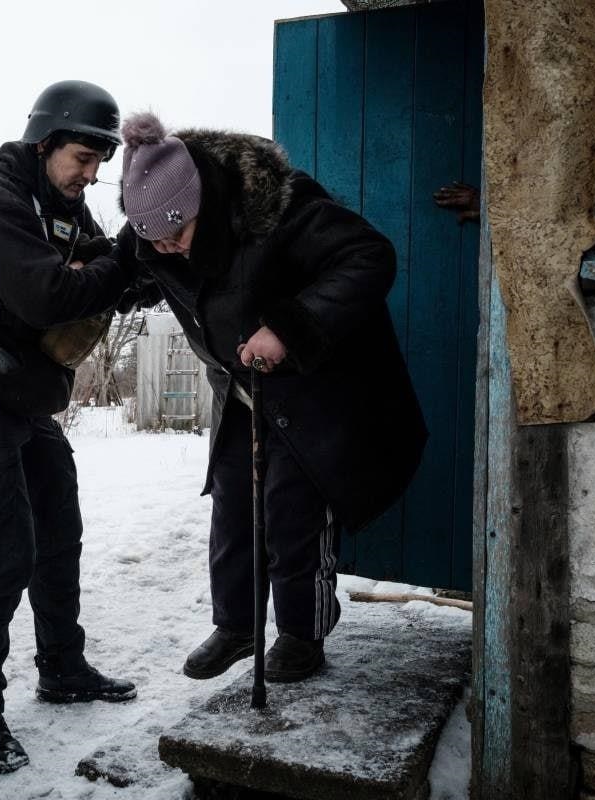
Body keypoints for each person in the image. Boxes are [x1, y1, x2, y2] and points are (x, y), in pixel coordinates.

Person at [115, 111, 427, 684]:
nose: (167, 248)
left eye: (176, 234)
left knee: (291, 513)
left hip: (315, 390)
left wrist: (286, 328)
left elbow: (369, 256)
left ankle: (302, 635)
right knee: (233, 504)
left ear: (203, 203)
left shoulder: (280, 209)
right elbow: (124, 269)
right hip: (242, 389)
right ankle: (237, 626)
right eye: (153, 239)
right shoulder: (155, 237)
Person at [0, 79, 137, 774]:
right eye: (83, 158)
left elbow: (108, 276)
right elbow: (47, 295)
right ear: (45, 143)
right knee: (7, 544)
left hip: (25, 393)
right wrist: (109, 266)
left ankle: (63, 667)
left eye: (100, 163)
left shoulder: (65, 209)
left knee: (59, 528)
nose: (91, 175)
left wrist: (136, 256)